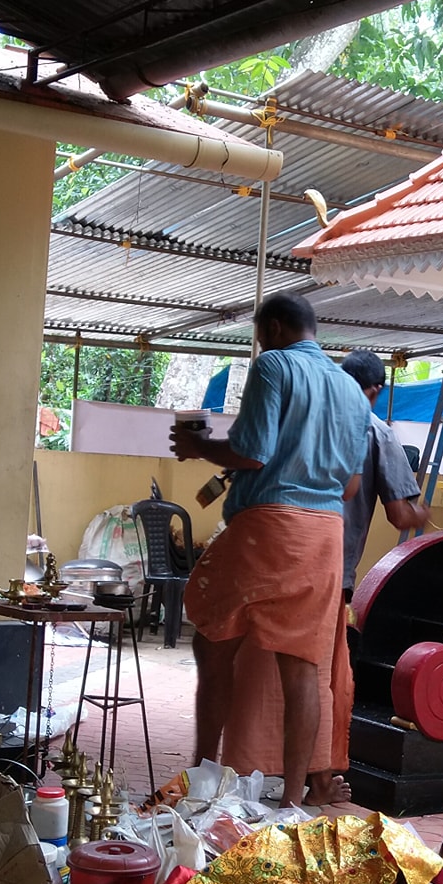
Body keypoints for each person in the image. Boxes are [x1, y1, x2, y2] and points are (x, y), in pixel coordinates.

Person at [171, 293, 368, 807]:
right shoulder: (351, 389)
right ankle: (293, 800)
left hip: (269, 527)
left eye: (260, 335)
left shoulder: (273, 366)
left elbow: (251, 453)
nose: (260, 344)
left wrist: (198, 447)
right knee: (302, 668)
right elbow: (349, 486)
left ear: (274, 329)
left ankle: (204, 775)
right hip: (326, 532)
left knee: (212, 643)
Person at [336, 351, 432, 598]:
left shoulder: (305, 417)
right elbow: (400, 517)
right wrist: (422, 515)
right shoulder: (377, 432)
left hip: (282, 558)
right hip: (334, 571)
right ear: (375, 390)